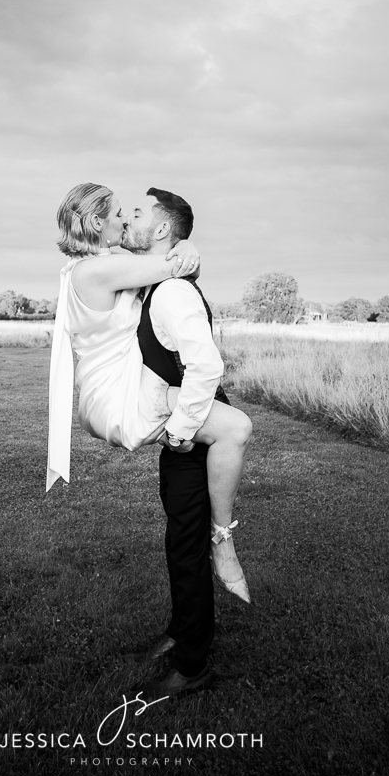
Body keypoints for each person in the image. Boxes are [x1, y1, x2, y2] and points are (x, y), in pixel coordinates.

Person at [47, 183, 254, 693]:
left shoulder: (124, 273)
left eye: (134, 213)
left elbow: (177, 284)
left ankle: (192, 650)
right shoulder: (104, 270)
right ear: (97, 224)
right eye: (121, 213)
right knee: (182, 537)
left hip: (177, 409)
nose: (125, 220)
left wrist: (184, 248)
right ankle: (187, 635)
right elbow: (170, 263)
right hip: (146, 402)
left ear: (159, 227)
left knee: (188, 531)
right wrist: (186, 250)